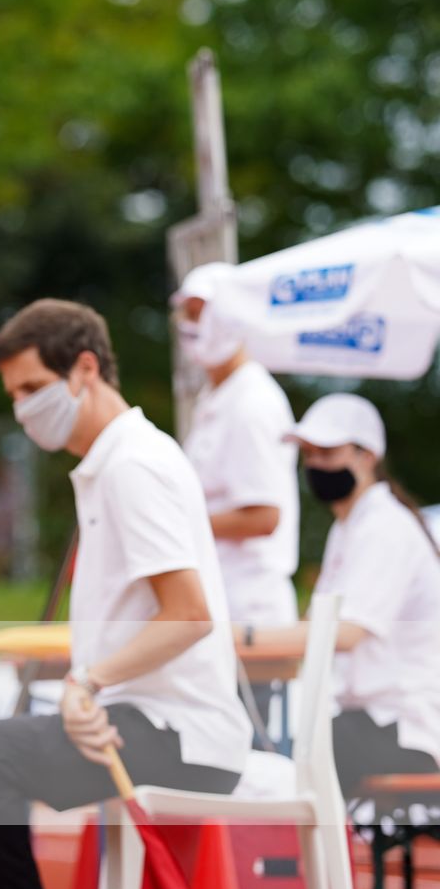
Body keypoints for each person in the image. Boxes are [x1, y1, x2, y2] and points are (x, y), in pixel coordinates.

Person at [0, 299, 248, 889]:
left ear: (86, 369)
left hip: (177, 733)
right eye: (14, 397)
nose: (25, 410)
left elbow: (189, 613)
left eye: (33, 389)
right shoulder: (117, 463)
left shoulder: (135, 467)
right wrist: (88, 683)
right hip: (150, 719)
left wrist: (87, 682)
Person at [243, 394, 440, 795]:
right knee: (277, 759)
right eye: (308, 453)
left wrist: (239, 637)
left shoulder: (384, 528)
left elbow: (345, 633)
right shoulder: (351, 526)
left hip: (401, 727)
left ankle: (295, 859)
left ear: (366, 456)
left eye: (326, 452)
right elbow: (317, 627)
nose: (314, 464)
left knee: (281, 778)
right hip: (370, 720)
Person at [171, 262, 300, 734]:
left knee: (245, 762)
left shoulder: (251, 403)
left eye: (199, 313)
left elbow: (264, 515)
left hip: (247, 611)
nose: (190, 327)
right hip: (221, 604)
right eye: (186, 314)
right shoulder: (216, 397)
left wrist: (176, 522)